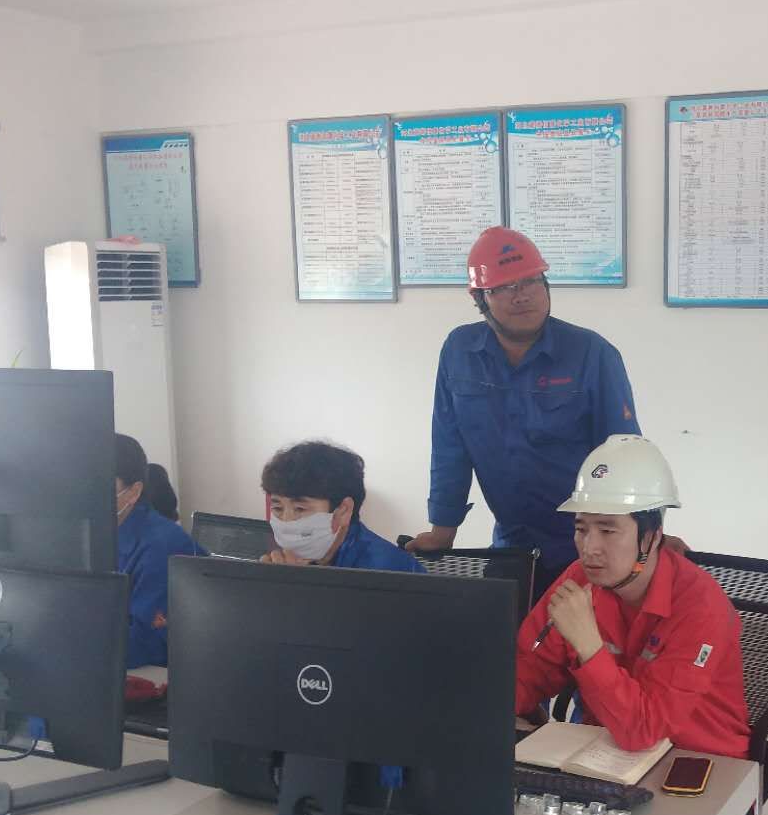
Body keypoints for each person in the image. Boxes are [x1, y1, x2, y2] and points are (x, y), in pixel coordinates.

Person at [514, 434, 749, 815]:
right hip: (607, 751)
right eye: (581, 528)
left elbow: (645, 728)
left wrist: (588, 645)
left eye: (608, 530)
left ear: (651, 536)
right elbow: (527, 669)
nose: (590, 547)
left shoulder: (701, 605)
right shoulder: (579, 579)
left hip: (697, 760)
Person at [405, 227, 655, 600]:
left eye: (531, 282)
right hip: (513, 544)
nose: (522, 295)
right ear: (479, 298)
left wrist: (646, 540)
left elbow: (625, 458)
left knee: (580, 634)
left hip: (586, 546)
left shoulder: (592, 354)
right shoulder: (459, 352)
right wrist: (443, 529)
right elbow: (449, 447)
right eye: (504, 287)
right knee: (502, 630)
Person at [259, 440, 424, 574]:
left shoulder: (386, 571)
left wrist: (296, 587)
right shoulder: (284, 559)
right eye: (277, 509)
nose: (286, 521)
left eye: (300, 509)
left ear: (343, 511)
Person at [114, 434, 206, 668]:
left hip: (163, 674)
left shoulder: (163, 546)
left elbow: (143, 644)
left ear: (133, 492)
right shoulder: (94, 536)